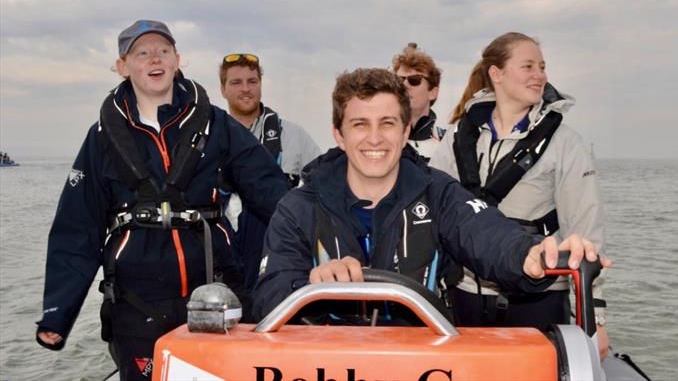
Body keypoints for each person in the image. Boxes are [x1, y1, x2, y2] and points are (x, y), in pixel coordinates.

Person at [36, 20, 289, 380]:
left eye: (163, 51)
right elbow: (77, 228)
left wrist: (319, 245)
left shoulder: (216, 124)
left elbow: (270, 192)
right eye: (142, 53)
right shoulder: (101, 137)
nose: (154, 58)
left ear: (177, 60)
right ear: (122, 66)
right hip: (137, 304)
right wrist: (57, 313)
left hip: (216, 295)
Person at [252, 67, 608, 320]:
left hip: (423, 360)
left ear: (406, 130)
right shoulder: (298, 205)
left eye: (387, 124)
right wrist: (310, 286)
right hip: (324, 363)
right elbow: (268, 296)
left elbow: (488, 236)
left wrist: (529, 258)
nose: (374, 139)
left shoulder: (437, 192)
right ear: (339, 135)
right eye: (360, 124)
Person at [428, 32, 611, 359]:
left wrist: (595, 320)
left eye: (542, 66)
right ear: (496, 74)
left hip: (539, 296)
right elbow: (434, 206)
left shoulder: (566, 143)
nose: (539, 75)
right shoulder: (459, 136)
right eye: (527, 66)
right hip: (467, 290)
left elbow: (584, 232)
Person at [218, 52, 321, 288]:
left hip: (278, 251)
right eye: (236, 82)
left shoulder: (294, 136)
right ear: (223, 89)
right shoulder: (210, 137)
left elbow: (322, 188)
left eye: (252, 81)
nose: (246, 89)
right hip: (224, 252)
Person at [391, 43, 446, 162]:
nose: (405, 85)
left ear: (433, 92)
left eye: (414, 80)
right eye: (399, 80)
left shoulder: (449, 143)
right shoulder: (378, 141)